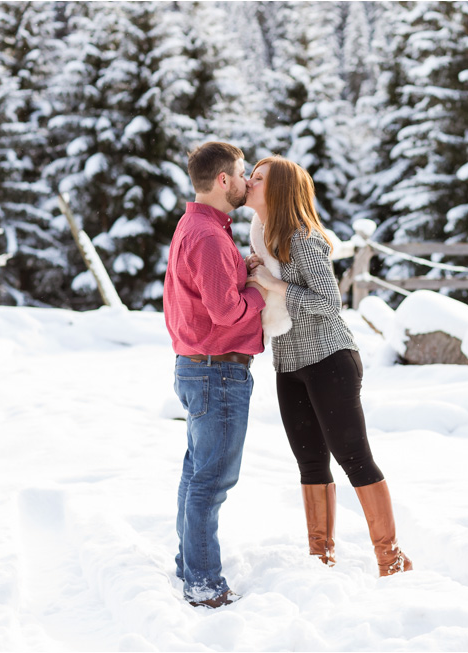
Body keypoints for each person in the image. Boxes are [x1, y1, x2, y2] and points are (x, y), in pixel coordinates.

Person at [244, 156, 412, 576]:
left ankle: (390, 558)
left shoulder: (300, 237)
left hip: (329, 359)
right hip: (289, 361)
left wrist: (273, 283)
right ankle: (321, 558)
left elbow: (328, 301)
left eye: (259, 178)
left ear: (279, 190)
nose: (249, 181)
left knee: (353, 456)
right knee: (310, 463)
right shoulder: (259, 238)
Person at [164, 142, 266, 608]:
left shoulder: (198, 226)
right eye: (243, 174)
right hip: (217, 373)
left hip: (198, 369)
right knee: (212, 481)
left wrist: (241, 269)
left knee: (196, 475)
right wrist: (263, 296)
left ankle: (191, 566)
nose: (247, 182)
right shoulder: (208, 235)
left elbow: (209, 290)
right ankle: (204, 585)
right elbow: (226, 311)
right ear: (224, 180)